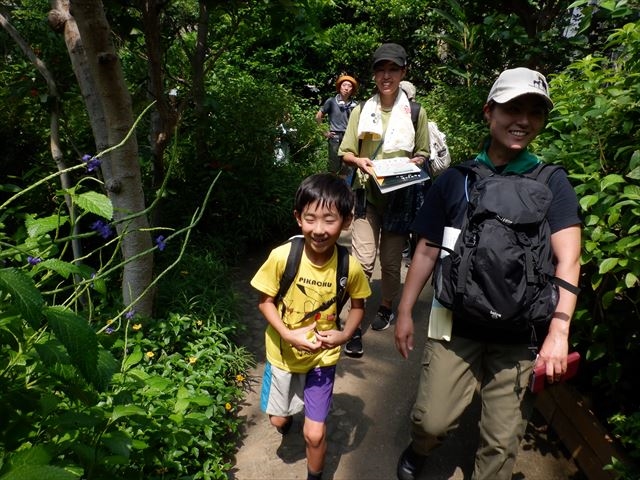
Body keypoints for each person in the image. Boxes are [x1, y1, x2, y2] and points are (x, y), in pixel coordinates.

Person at [393, 67, 582, 480]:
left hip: (520, 334)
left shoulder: (552, 182)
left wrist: (559, 331)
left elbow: (569, 259)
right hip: (455, 321)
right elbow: (426, 247)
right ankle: (421, 447)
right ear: (489, 112)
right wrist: (406, 311)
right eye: (513, 108)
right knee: (432, 422)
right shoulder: (455, 180)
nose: (524, 120)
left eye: (535, 111)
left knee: (500, 446)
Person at [250, 173, 371, 480]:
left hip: (322, 360)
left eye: (329, 220)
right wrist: (288, 333)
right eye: (310, 219)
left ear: (346, 221)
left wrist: (344, 335)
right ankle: (287, 416)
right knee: (278, 421)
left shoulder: (349, 266)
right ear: (298, 218)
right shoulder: (282, 257)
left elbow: (358, 306)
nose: (319, 229)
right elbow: (265, 302)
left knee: (315, 435)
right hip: (282, 356)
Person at [338, 43, 430, 356]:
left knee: (391, 263)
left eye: (393, 69)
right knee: (362, 262)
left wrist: (414, 163)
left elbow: (423, 152)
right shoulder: (362, 110)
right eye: (381, 69)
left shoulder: (415, 112)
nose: (386, 75)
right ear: (375, 74)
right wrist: (359, 162)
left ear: (403, 72)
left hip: (400, 197)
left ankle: (387, 306)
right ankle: (354, 319)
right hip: (367, 195)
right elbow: (346, 151)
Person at [316, 75, 358, 175]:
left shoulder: (355, 105)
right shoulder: (331, 101)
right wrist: (324, 132)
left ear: (352, 90)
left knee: (346, 166)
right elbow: (318, 116)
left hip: (349, 137)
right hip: (335, 136)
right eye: (344, 85)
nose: (346, 88)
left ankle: (343, 189)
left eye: (349, 86)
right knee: (333, 166)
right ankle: (332, 188)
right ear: (340, 87)